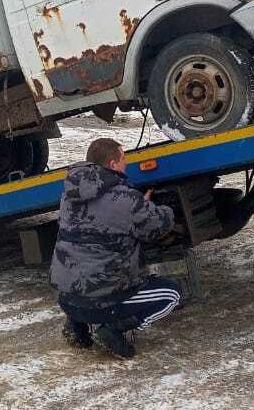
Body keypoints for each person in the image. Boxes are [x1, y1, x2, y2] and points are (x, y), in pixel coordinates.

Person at [49, 137, 180, 359]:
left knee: (83, 266)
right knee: (171, 293)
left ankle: (76, 325)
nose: (125, 164)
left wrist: (136, 206)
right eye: (123, 159)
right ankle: (112, 329)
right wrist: (153, 207)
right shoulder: (126, 198)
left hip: (66, 298)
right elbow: (158, 225)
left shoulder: (69, 195)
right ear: (113, 165)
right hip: (101, 302)